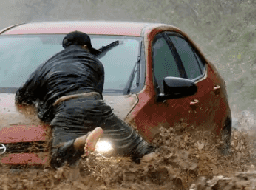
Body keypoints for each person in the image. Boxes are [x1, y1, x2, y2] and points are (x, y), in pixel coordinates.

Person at [16, 30, 156, 167]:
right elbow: (98, 94)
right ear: (85, 47)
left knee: (57, 158)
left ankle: (81, 140)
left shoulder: (48, 65)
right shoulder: (95, 63)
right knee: (140, 147)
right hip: (96, 105)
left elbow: (22, 96)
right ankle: (157, 168)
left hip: (66, 109)